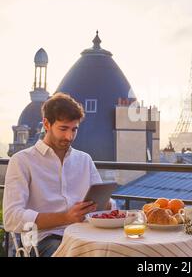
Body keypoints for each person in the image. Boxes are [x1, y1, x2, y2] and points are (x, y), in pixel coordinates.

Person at [3, 93, 115, 257]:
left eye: (74, 129)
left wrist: (106, 204)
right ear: (47, 124)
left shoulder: (84, 160)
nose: (69, 136)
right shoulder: (22, 161)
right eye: (63, 129)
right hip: (43, 241)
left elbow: (105, 204)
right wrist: (66, 217)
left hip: (86, 236)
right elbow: (11, 218)